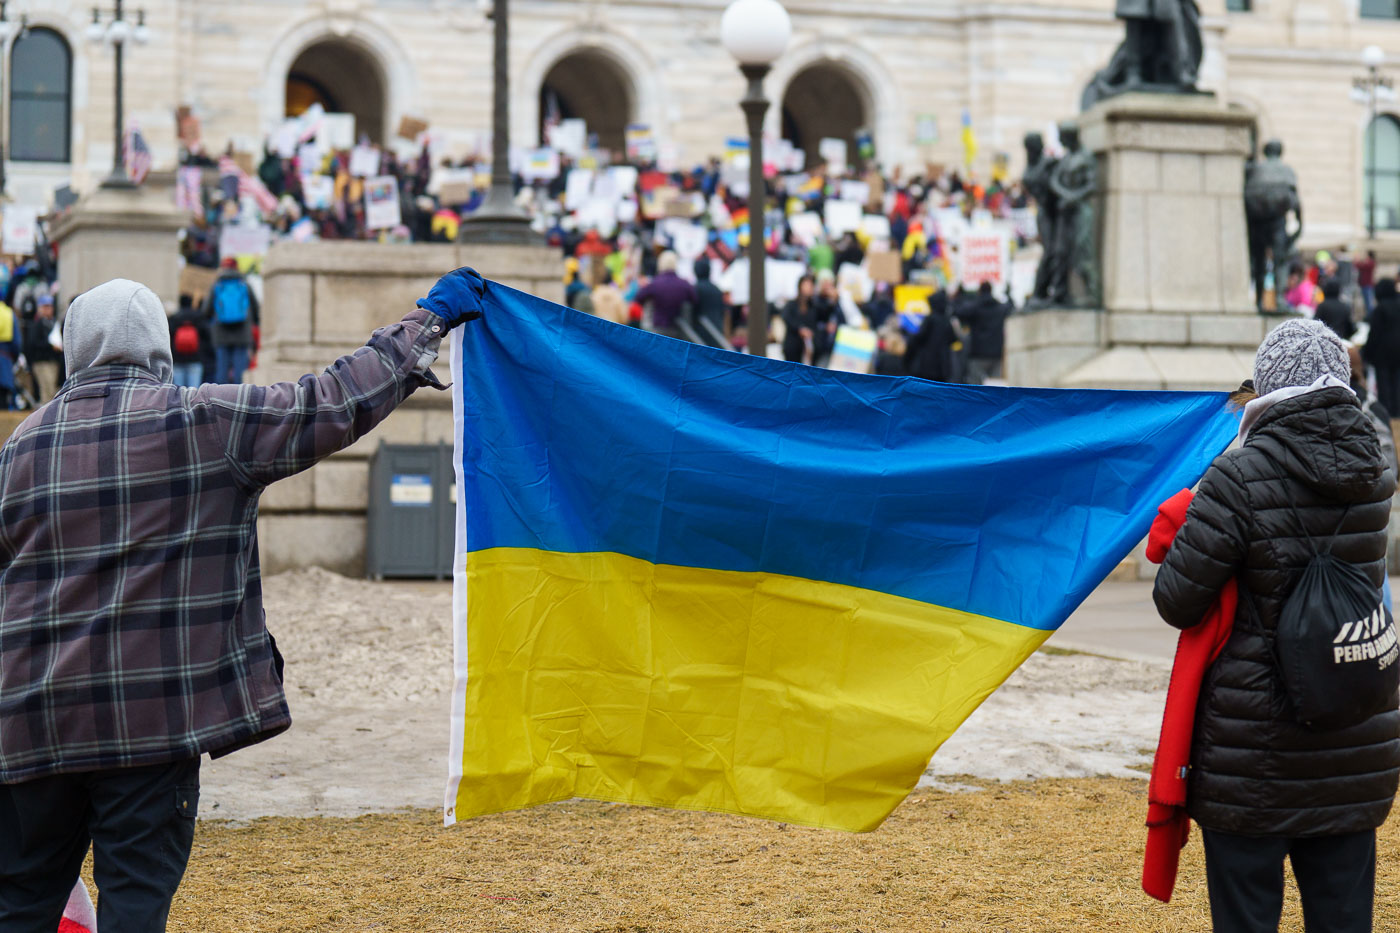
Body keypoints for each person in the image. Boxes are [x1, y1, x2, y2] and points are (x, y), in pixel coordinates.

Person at [0, 269, 484, 929]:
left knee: (20, 905)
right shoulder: (204, 421)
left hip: (32, 723)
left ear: (72, 348)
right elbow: (332, 401)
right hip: (151, 722)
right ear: (159, 350)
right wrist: (427, 321)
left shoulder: (20, 448)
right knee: (134, 904)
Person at [1153, 319, 1399, 933]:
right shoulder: (1377, 467)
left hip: (1251, 748)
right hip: (1352, 735)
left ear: (1268, 385)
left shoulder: (1237, 477)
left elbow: (1177, 599)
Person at [203, 257, 259, 384]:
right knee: (240, 371)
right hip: (242, 333)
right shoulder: (244, 284)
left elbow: (206, 310)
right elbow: (255, 307)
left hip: (221, 333)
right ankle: (239, 398)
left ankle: (220, 399)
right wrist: (254, 323)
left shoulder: (217, 285)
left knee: (222, 370)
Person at [958, 282, 1011, 384]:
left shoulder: (974, 308)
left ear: (980, 291)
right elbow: (1011, 307)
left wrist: (961, 296)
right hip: (996, 354)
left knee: (975, 386)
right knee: (995, 386)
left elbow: (958, 312)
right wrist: (1009, 295)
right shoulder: (1000, 308)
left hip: (977, 353)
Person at [635, 251, 696, 340]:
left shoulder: (655, 283)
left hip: (657, 328)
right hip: (678, 330)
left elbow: (639, 298)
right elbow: (694, 299)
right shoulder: (684, 284)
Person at [903, 295, 959, 383]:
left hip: (926, 365)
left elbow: (918, 338)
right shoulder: (946, 320)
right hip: (942, 366)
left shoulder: (930, 319)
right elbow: (953, 339)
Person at [1365, 278, 1400, 414]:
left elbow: (1374, 332)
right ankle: (1397, 410)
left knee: (1384, 382)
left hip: (1383, 352)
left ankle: (1386, 411)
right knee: (1397, 381)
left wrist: (1367, 352)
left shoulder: (1380, 308)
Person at [21, 293, 61, 403]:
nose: (48, 309)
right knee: (47, 391)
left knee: (52, 391)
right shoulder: (36, 324)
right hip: (41, 362)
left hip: (53, 361)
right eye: (45, 306)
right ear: (40, 308)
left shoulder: (53, 323)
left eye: (50, 306)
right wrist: (51, 346)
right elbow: (32, 343)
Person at [167, 293, 209, 388]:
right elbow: (207, 337)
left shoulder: (174, 318)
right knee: (194, 391)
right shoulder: (199, 317)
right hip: (196, 358)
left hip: (177, 359)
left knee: (178, 391)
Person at [780, 275, 820, 364]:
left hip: (809, 349)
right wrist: (800, 329)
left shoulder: (814, 306)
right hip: (792, 347)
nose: (808, 288)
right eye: (806, 285)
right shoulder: (792, 304)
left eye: (810, 285)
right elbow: (786, 318)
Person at [693, 258, 728, 339]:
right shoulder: (717, 290)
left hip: (700, 331)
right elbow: (725, 312)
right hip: (717, 329)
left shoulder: (695, 289)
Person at [1357, 249, 1378, 318]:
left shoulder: (1370, 263)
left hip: (1367, 284)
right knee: (1367, 302)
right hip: (1365, 284)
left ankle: (1370, 316)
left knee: (1369, 302)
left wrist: (1358, 260)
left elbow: (1359, 266)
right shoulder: (1370, 262)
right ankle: (1368, 315)